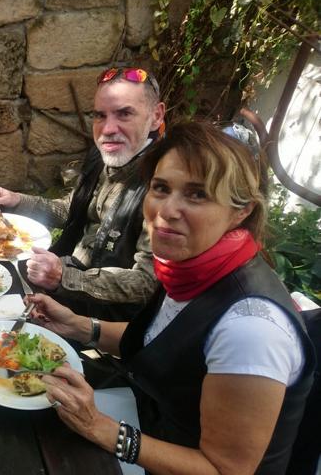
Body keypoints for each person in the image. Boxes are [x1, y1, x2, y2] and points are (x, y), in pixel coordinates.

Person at [26, 122, 314, 474]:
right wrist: (78, 325)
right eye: (161, 188)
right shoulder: (192, 265)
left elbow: (224, 470)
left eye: (197, 195)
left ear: (242, 212)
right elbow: (163, 339)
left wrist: (99, 427)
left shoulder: (252, 329)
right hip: (148, 417)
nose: (166, 210)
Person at [0, 67, 166, 321]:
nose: (108, 128)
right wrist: (18, 200)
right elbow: (72, 209)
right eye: (100, 115)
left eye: (124, 114)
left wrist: (64, 277)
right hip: (62, 278)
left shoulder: (163, 185)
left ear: (156, 116)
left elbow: (147, 283)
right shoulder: (102, 156)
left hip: (102, 319)